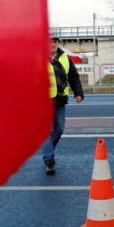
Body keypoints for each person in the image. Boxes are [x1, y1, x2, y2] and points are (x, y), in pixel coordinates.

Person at [43, 37, 84, 174]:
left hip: (60, 99)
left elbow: (73, 77)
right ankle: (49, 159)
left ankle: (48, 150)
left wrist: (78, 92)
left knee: (59, 129)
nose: (52, 44)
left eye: (55, 41)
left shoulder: (65, 58)